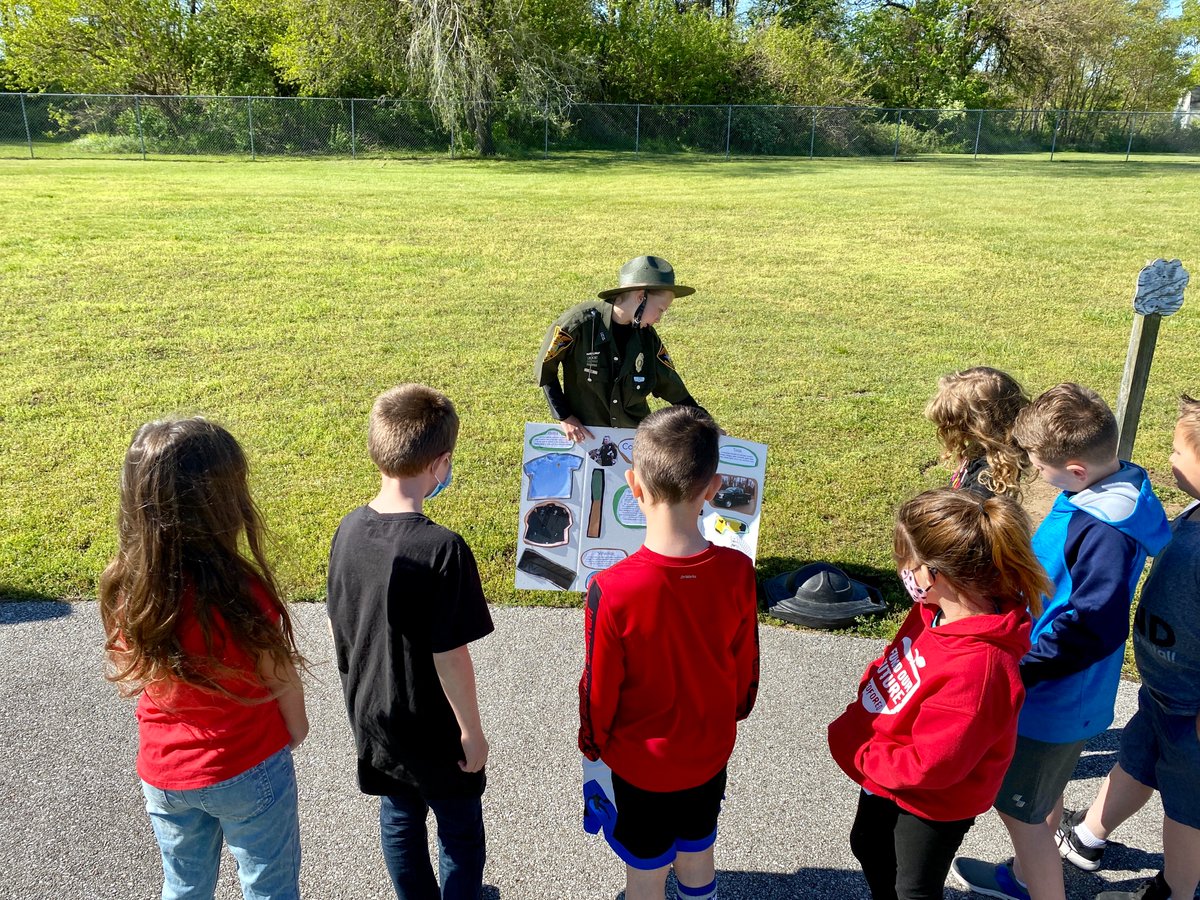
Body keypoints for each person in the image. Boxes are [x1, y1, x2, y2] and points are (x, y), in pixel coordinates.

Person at [951, 383, 1171, 900]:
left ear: (1075, 469)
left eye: (1036, 462)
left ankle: (1034, 883)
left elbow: (1094, 623)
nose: (1032, 470)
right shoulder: (1106, 488)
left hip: (1054, 693)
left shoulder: (1103, 530)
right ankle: (1036, 867)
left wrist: (1024, 667)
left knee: (1019, 809)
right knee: (1041, 796)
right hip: (1061, 687)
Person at [98, 417, 309, 900]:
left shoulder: (124, 587)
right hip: (247, 764)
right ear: (224, 503)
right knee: (268, 886)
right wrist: (296, 728)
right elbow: (278, 674)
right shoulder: (241, 590)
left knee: (185, 885)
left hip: (164, 772)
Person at [828, 489, 1049, 900]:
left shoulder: (980, 670)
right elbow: (897, 659)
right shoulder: (933, 609)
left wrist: (863, 754)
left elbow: (935, 766)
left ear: (935, 574)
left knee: (912, 888)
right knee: (869, 845)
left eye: (905, 561)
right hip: (889, 766)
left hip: (933, 800)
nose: (902, 569)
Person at [578, 406, 759, 900]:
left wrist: (592, 749)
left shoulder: (610, 589)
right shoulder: (738, 571)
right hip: (709, 750)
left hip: (640, 764)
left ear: (633, 485)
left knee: (646, 874)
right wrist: (729, 714)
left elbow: (599, 688)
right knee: (698, 856)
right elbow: (746, 672)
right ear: (714, 487)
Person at [326, 384, 494, 900]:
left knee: (399, 816)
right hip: (434, 722)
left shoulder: (347, 531)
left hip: (374, 710)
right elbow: (450, 656)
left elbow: (344, 625)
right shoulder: (443, 549)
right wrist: (472, 730)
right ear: (440, 463)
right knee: (459, 830)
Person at [1054, 394, 1200, 900]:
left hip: (1194, 709)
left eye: (1179, 452)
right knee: (1137, 760)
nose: (1171, 460)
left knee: (1187, 808)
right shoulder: (1197, 510)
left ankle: (1177, 892)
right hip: (1165, 690)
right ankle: (1087, 839)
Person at [536, 255, 709, 442]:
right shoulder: (579, 324)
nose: (659, 318)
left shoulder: (647, 338)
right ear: (640, 297)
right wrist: (564, 416)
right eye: (660, 310)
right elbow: (545, 369)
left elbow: (674, 389)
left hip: (633, 440)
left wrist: (707, 424)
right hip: (586, 436)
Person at [925, 366, 1030, 500]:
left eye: (954, 424)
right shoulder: (988, 451)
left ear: (975, 427)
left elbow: (967, 519)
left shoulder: (986, 481)